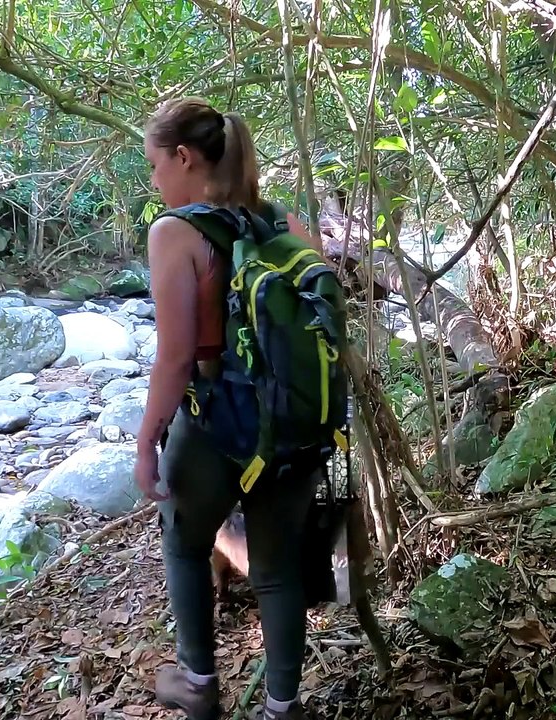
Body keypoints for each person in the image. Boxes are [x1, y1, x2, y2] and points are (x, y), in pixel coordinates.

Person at [134, 96, 323, 720]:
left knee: (185, 545)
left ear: (184, 157)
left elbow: (175, 357)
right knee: (276, 570)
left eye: (156, 164)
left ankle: (197, 683)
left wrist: (145, 443)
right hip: (295, 422)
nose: (155, 180)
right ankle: (282, 706)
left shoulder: (176, 233)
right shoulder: (286, 223)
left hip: (218, 423)